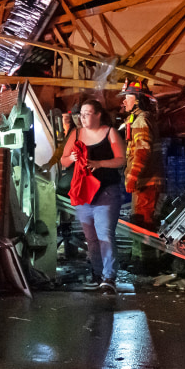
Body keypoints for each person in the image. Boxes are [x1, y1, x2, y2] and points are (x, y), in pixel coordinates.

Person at [59, 99, 126, 294]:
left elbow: (121, 159)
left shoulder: (109, 132)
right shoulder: (76, 134)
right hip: (84, 193)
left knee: (105, 234)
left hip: (106, 191)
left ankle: (109, 277)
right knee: (91, 237)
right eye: (81, 114)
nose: (83, 117)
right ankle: (97, 275)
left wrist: (99, 163)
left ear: (98, 115)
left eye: (88, 113)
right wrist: (70, 159)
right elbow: (63, 161)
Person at [120, 81, 165, 275]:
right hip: (144, 181)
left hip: (147, 181)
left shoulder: (141, 120)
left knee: (144, 223)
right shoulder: (137, 119)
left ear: (137, 100)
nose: (124, 101)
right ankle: (138, 260)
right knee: (138, 220)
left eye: (127, 97)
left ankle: (147, 266)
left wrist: (132, 177)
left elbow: (142, 151)